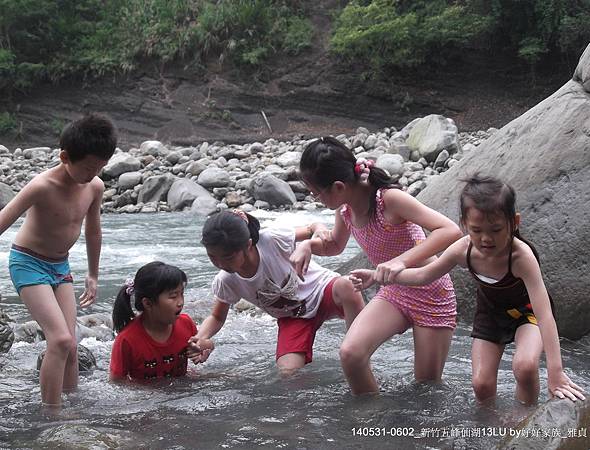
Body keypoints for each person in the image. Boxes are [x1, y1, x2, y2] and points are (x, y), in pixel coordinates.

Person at [351, 175, 586, 404]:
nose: (486, 239)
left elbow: (544, 314)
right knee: (481, 385)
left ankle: (524, 424)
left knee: (524, 367)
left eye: (495, 230)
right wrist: (376, 276)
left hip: (528, 313)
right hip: (491, 315)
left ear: (514, 223)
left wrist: (555, 372)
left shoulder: (520, 256)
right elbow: (424, 275)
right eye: (476, 230)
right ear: (465, 225)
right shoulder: (462, 250)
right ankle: (490, 429)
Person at [296, 136, 462, 395]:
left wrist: (400, 261)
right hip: (395, 291)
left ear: (338, 187)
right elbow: (334, 246)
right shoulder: (345, 211)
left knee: (425, 389)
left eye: (315, 192)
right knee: (351, 354)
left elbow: (449, 231)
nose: (314, 198)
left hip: (431, 291)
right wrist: (307, 245)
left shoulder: (390, 199)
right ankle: (370, 417)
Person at [0, 113, 117, 407]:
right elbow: (4, 219)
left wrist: (93, 273)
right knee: (60, 340)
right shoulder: (41, 186)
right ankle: (51, 414)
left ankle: (70, 404)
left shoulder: (94, 187)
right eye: (89, 168)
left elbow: (93, 230)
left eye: (100, 167)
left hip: (60, 267)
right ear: (64, 156)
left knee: (72, 345)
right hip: (27, 263)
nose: (94, 174)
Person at [187, 209, 365, 375]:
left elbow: (311, 229)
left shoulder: (271, 240)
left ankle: (358, 353)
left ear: (248, 245)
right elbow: (217, 317)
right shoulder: (226, 280)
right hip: (293, 317)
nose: (220, 264)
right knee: (288, 373)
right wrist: (199, 339)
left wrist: (320, 228)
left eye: (227, 257)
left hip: (322, 290)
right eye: (212, 257)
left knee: (347, 285)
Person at [110, 261, 197, 381]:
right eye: (173, 296)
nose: (180, 302)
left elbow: (202, 344)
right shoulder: (127, 340)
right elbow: (117, 382)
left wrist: (204, 349)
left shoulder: (186, 323)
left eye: (182, 294)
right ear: (148, 303)